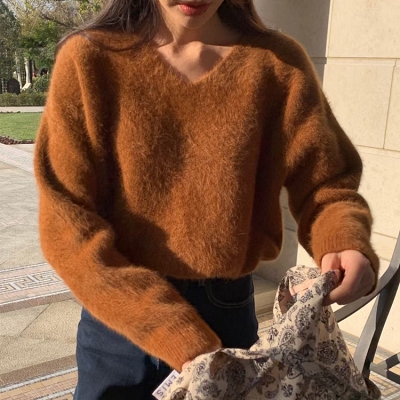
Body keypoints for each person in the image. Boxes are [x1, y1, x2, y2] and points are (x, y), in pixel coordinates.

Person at [34, 0, 379, 398]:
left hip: (227, 316)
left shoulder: (276, 64)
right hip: (118, 327)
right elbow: (66, 222)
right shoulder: (89, 60)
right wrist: (173, 332)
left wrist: (343, 239)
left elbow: (327, 184)